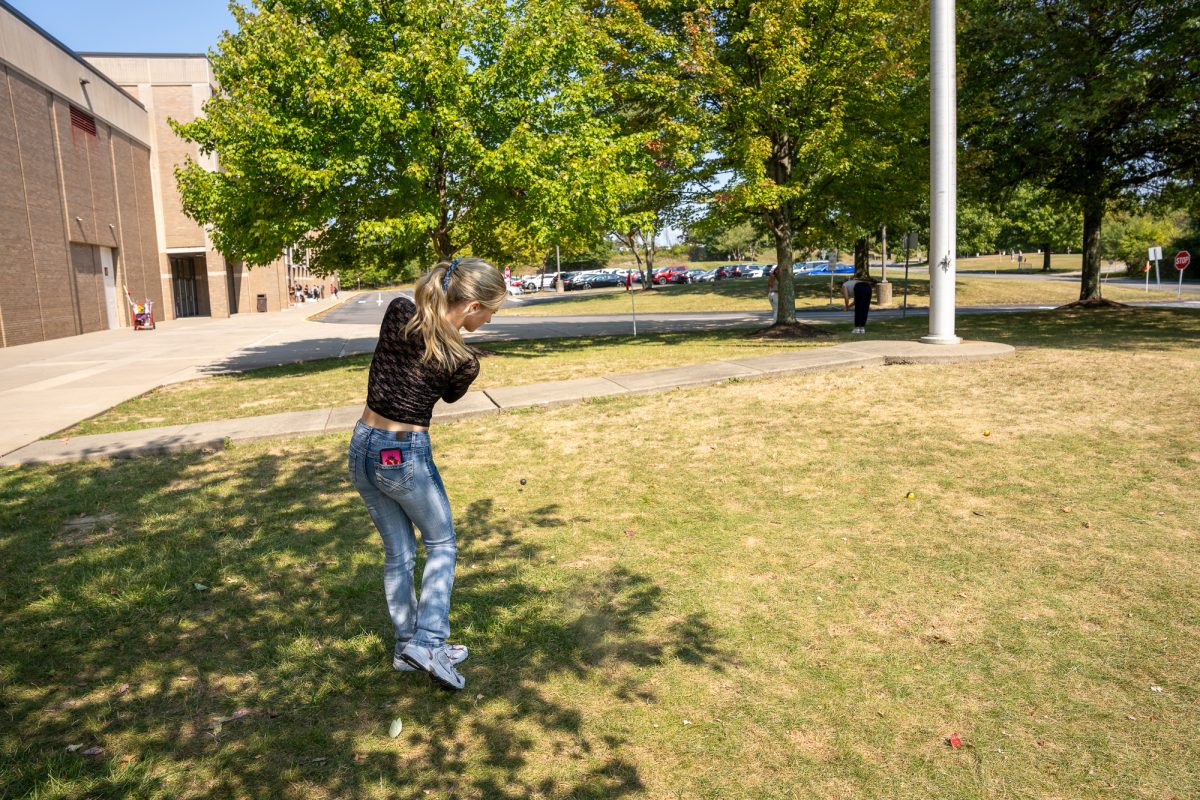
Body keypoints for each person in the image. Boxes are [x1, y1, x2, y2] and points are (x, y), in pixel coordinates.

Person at [347, 257, 506, 690]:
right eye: (492, 309)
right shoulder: (465, 361)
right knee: (442, 543)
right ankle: (430, 642)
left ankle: (407, 649)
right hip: (402, 454)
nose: (492, 318)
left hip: (362, 446)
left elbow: (421, 333)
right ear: (472, 305)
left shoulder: (399, 312)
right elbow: (451, 396)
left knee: (399, 554)